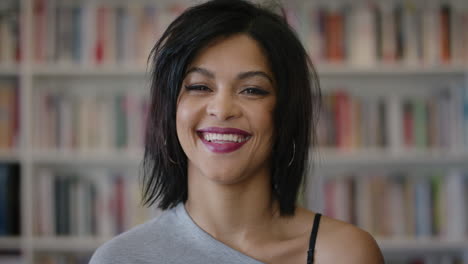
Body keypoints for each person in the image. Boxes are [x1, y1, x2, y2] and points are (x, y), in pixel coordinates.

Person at [89, 0, 384, 263]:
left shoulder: (344, 254)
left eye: (252, 90)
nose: (222, 108)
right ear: (170, 110)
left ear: (284, 113)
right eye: (199, 87)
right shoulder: (118, 258)